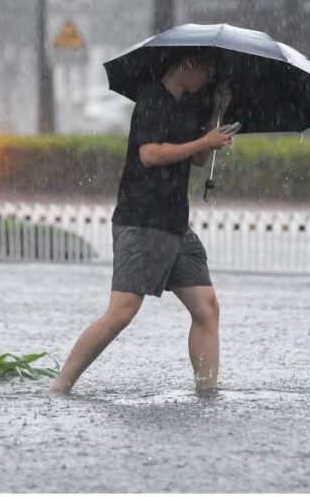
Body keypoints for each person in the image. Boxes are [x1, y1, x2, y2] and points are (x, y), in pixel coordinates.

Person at [49, 49, 233, 397]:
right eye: (207, 72)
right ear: (188, 64)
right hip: (142, 219)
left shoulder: (192, 103)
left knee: (206, 306)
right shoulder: (152, 99)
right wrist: (202, 141)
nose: (209, 80)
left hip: (176, 223)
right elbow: (149, 154)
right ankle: (60, 385)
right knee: (121, 312)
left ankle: (207, 392)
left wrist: (214, 123)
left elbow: (197, 158)